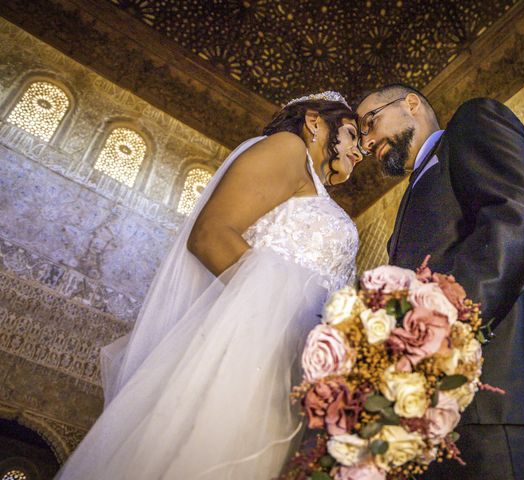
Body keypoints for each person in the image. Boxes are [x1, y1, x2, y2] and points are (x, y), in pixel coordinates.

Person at [54, 91, 363, 480]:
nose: (360, 150)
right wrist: (288, 327)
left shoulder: (314, 188)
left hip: (295, 366)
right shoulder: (288, 149)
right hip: (257, 352)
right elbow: (210, 235)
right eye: (351, 133)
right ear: (315, 122)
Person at [355, 84, 524, 480]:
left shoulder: (472, 123)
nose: (368, 141)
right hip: (446, 422)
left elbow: (522, 215)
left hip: (504, 404)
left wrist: (440, 327)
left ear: (411, 104)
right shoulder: (407, 201)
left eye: (370, 122)